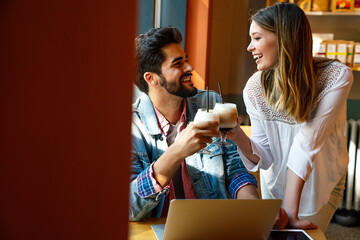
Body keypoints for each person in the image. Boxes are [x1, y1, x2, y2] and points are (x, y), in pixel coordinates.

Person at [228, 3, 353, 232]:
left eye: (256, 38)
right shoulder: (254, 88)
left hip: (321, 185)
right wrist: (237, 136)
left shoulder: (335, 76)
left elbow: (306, 144)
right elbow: (264, 158)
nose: (249, 47)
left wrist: (291, 213)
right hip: (274, 184)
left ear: (284, 38)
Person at [129, 26, 259, 221]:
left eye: (186, 60)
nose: (189, 68)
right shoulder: (131, 126)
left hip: (214, 225)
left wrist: (253, 207)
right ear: (151, 78)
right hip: (158, 231)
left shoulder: (211, 104)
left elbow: (234, 169)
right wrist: (178, 150)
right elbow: (130, 205)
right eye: (177, 64)